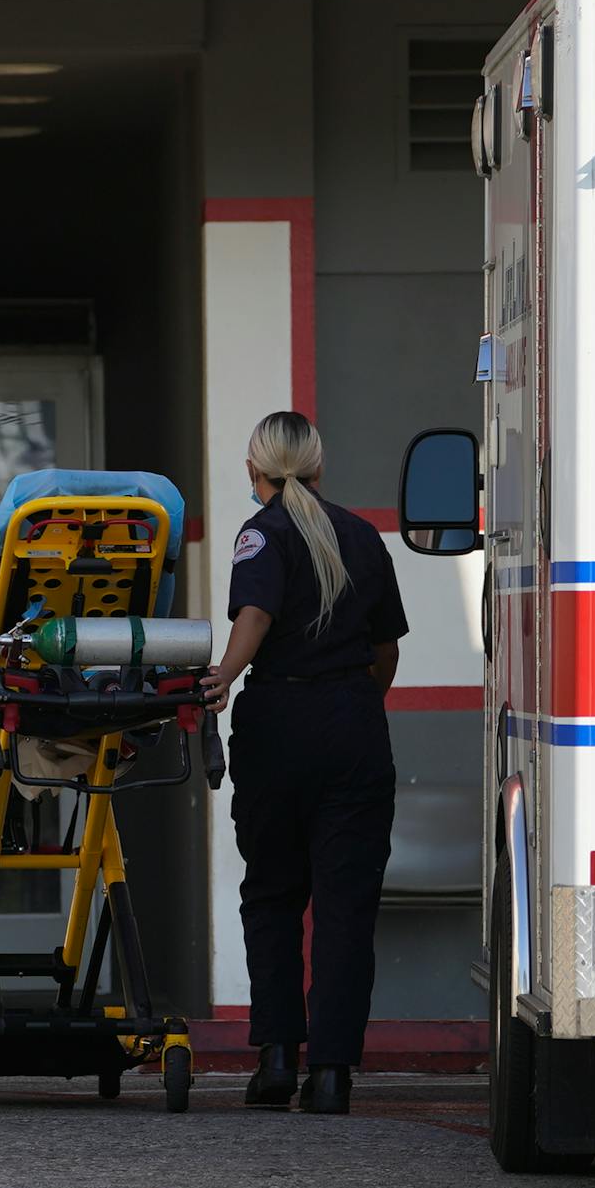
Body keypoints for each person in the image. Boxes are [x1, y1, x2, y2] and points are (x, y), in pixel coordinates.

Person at [203, 410, 408, 1116]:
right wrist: (351, 704)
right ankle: (332, 1076)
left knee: (273, 896)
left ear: (254, 473)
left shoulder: (262, 532)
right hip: (353, 726)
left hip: (279, 728)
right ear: (319, 468)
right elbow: (387, 651)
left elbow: (253, 619)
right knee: (347, 908)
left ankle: (277, 1060)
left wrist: (223, 677)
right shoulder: (361, 535)